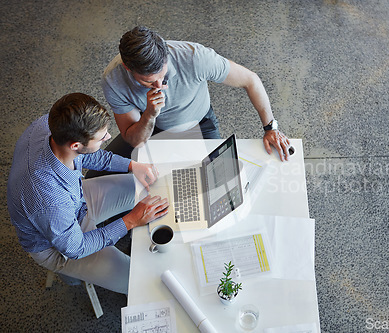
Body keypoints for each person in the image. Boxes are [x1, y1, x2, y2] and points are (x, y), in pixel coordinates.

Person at [7, 93, 169, 295]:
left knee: (145, 186)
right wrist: (130, 221)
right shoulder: (49, 200)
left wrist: (132, 165)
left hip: (74, 200)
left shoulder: (51, 125)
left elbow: (90, 154)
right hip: (58, 245)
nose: (109, 137)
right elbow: (75, 248)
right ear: (75, 145)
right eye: (102, 137)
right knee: (140, 281)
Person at [99, 25, 292, 163]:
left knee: (219, 180)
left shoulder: (195, 57)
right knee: (100, 175)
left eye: (163, 75)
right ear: (127, 68)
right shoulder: (114, 80)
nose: (159, 85)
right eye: (148, 82)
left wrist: (271, 128)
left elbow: (251, 80)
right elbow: (136, 140)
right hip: (152, 126)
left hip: (200, 123)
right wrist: (149, 114)